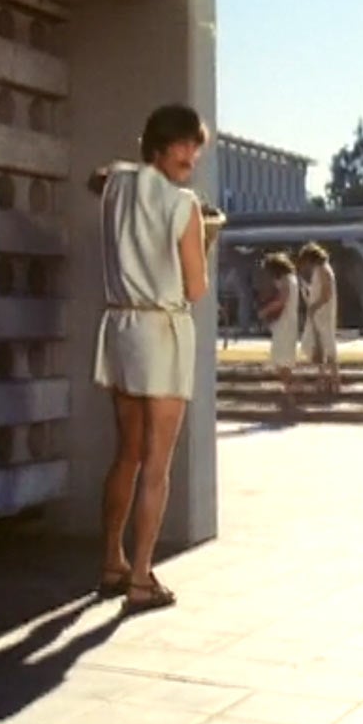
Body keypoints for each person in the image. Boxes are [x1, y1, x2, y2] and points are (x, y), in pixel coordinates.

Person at [91, 104, 211, 616]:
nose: (191, 155)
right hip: (161, 331)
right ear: (161, 144)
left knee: (127, 453)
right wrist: (205, 236)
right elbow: (197, 288)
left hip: (122, 327)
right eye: (183, 144)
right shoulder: (185, 206)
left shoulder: (116, 186)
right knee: (155, 466)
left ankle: (111, 562)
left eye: (195, 147)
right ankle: (139, 578)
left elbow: (98, 175)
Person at [258, 252, 299, 406]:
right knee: (282, 359)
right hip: (287, 322)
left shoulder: (287, 280)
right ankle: (288, 390)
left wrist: (265, 311)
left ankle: (290, 392)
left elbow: (282, 300)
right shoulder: (292, 279)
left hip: (285, 322)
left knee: (283, 360)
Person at [297, 242, 338, 392]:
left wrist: (314, 306)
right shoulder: (321, 270)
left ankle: (333, 380)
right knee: (320, 347)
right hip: (319, 313)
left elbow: (326, 294)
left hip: (322, 313)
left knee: (327, 346)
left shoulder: (323, 270)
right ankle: (324, 379)